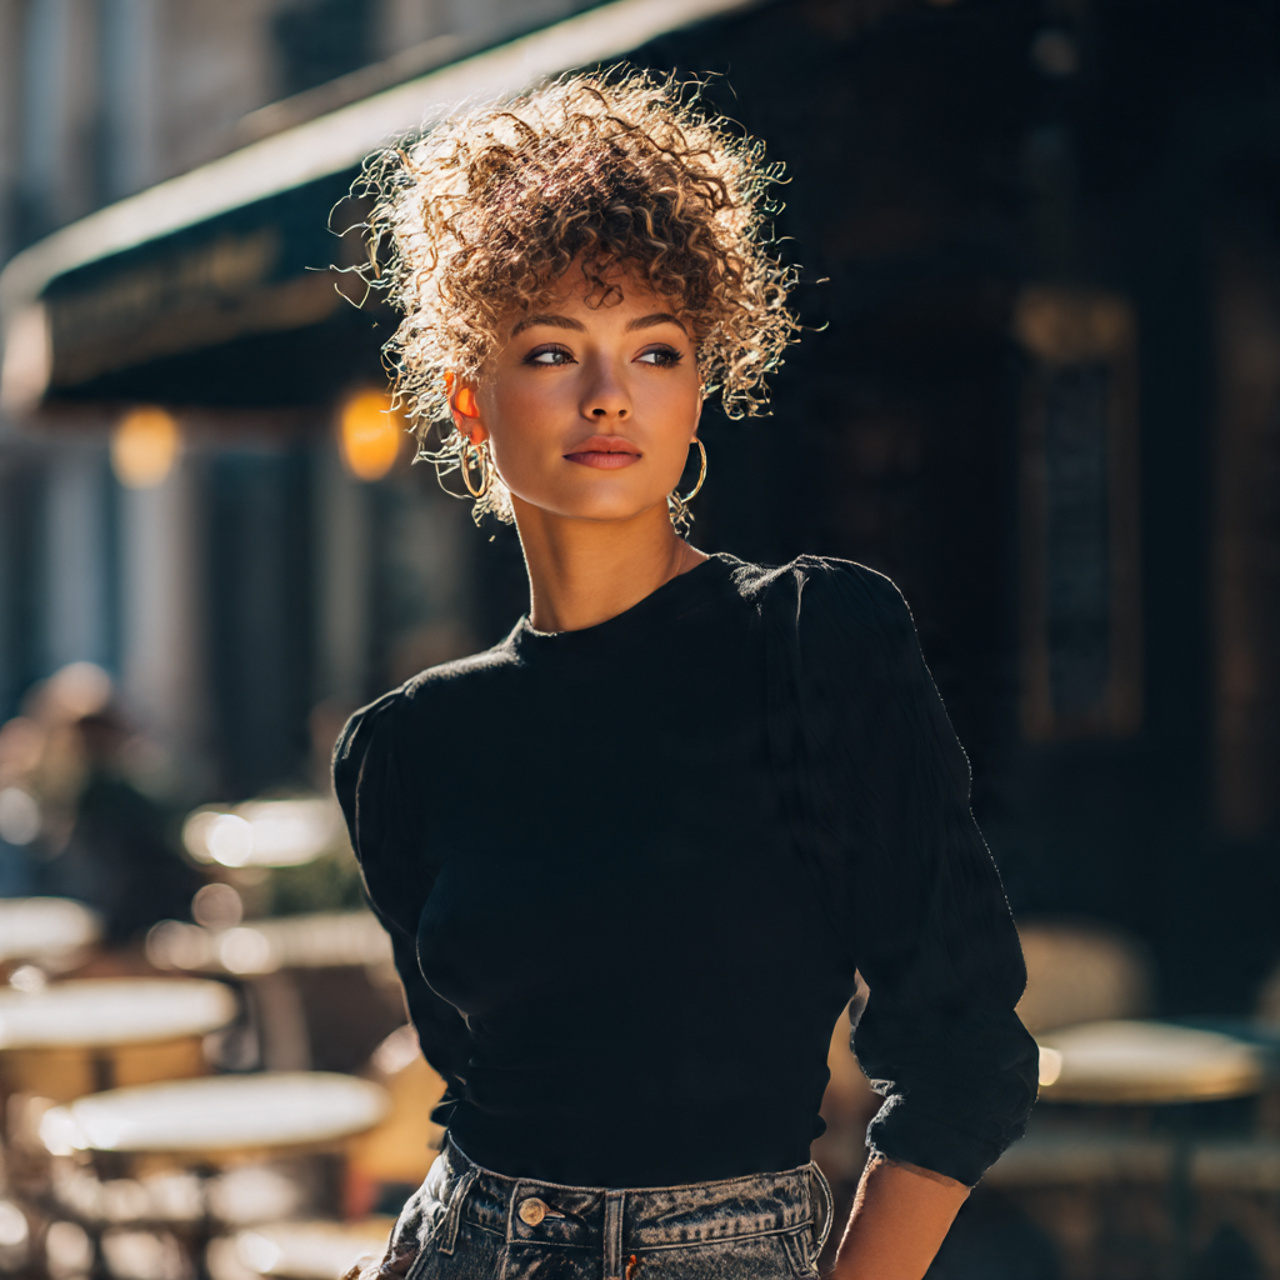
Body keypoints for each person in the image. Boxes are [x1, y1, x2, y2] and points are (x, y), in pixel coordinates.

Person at [334, 69, 1039, 1280]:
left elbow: (966, 1052)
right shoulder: (405, 745)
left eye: (652, 349)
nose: (607, 392)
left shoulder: (815, 639)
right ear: (469, 403)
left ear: (696, 388)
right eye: (552, 348)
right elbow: (483, 1081)